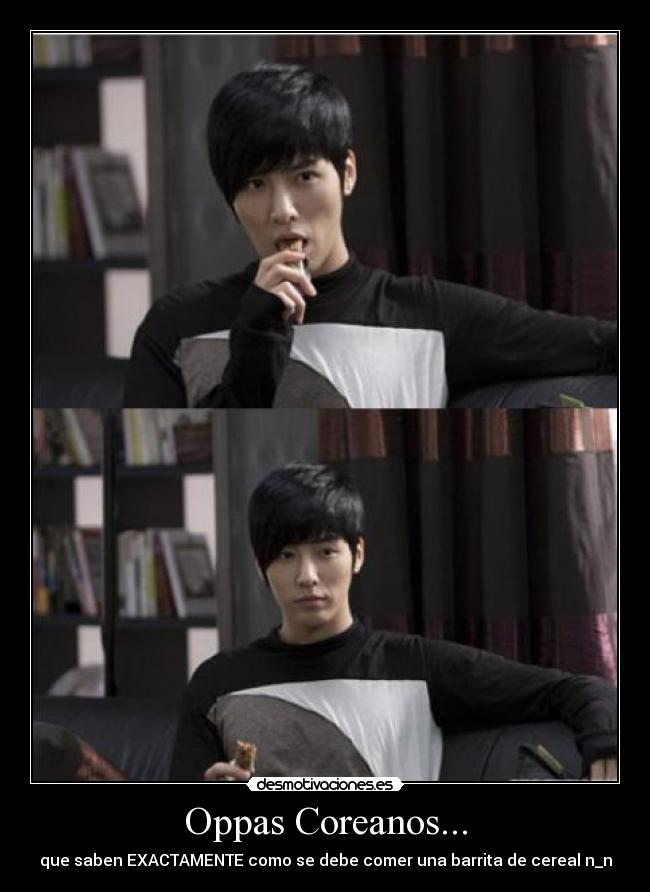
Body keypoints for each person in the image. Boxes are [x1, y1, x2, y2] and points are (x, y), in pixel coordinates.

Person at [124, 64, 617, 409]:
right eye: (255, 184)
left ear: (347, 174)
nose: (282, 210)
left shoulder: (428, 314)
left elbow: (594, 344)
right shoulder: (175, 327)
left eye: (304, 177)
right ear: (231, 199)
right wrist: (256, 334)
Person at [168, 463, 617, 782]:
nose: (308, 576)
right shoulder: (217, 684)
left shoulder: (417, 666)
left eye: (325, 552)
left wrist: (605, 742)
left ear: (357, 555)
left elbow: (575, 690)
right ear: (260, 565)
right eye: (286, 556)